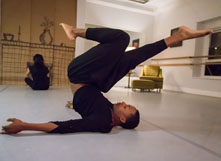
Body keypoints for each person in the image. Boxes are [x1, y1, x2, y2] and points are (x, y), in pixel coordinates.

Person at [1, 24, 213, 134]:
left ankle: (75, 31)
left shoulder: (102, 122)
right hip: (96, 81)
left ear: (121, 119)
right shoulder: (106, 112)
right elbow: (89, 104)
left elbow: (63, 126)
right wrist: (74, 103)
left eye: (126, 107)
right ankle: (177, 37)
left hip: (78, 73)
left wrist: (25, 125)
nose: (123, 102)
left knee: (122, 39)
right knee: (132, 59)